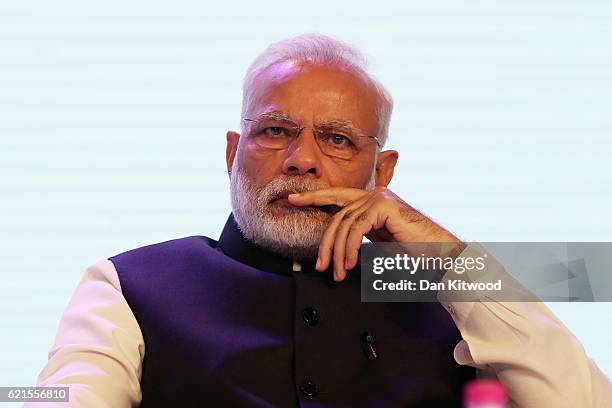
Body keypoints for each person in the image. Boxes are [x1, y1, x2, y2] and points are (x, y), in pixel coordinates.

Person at [30, 34, 612, 407]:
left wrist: (451, 262)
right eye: (276, 131)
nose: (302, 159)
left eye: (335, 139)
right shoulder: (126, 284)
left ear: (382, 173)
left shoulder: (447, 285)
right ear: (234, 153)